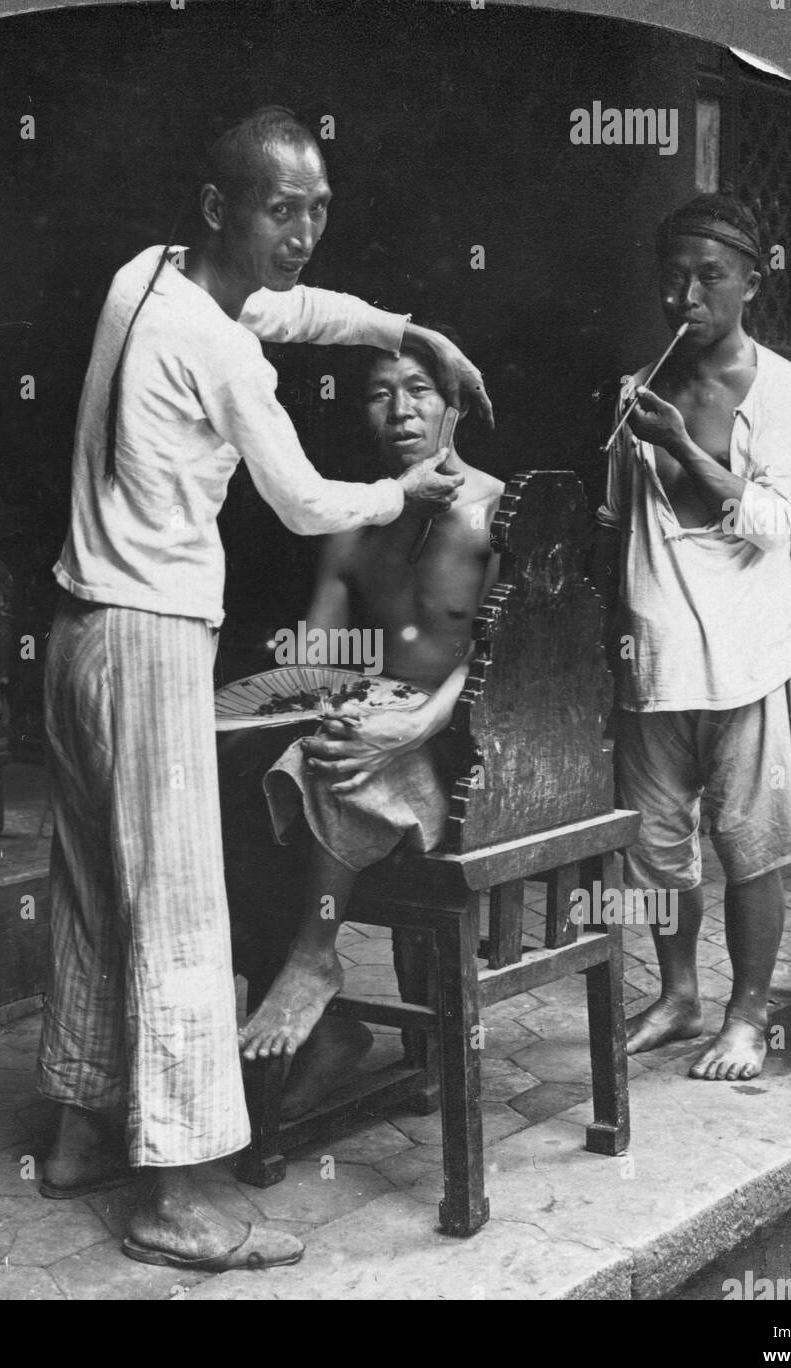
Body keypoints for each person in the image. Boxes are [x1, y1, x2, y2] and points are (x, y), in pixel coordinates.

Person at [39, 106, 493, 1271]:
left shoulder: (143, 276)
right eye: (279, 210)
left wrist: (399, 326)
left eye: (317, 210)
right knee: (179, 911)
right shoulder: (222, 349)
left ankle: (83, 1129)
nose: (301, 234)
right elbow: (299, 499)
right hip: (146, 636)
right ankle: (176, 1192)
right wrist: (408, 493)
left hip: (78, 630)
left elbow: (289, 306)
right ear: (217, 208)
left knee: (97, 887)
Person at [235, 335, 503, 1118]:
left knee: (353, 755)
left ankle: (315, 960)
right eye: (381, 393)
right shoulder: (355, 522)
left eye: (419, 388)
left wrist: (417, 723)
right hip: (370, 726)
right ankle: (329, 1033)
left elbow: (506, 660)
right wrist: (299, 710)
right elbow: (316, 662)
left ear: (454, 401)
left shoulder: (496, 509)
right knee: (245, 772)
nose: (401, 408)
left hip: (463, 741)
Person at [593, 192, 791, 1084]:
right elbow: (617, 524)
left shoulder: (784, 390)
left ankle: (749, 1016)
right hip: (653, 663)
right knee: (656, 849)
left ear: (752, 282)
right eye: (673, 278)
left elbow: (772, 522)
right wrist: (605, 641)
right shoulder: (637, 391)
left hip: (747, 659)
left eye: (710, 277)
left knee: (747, 846)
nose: (686, 296)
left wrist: (686, 449)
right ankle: (680, 993)